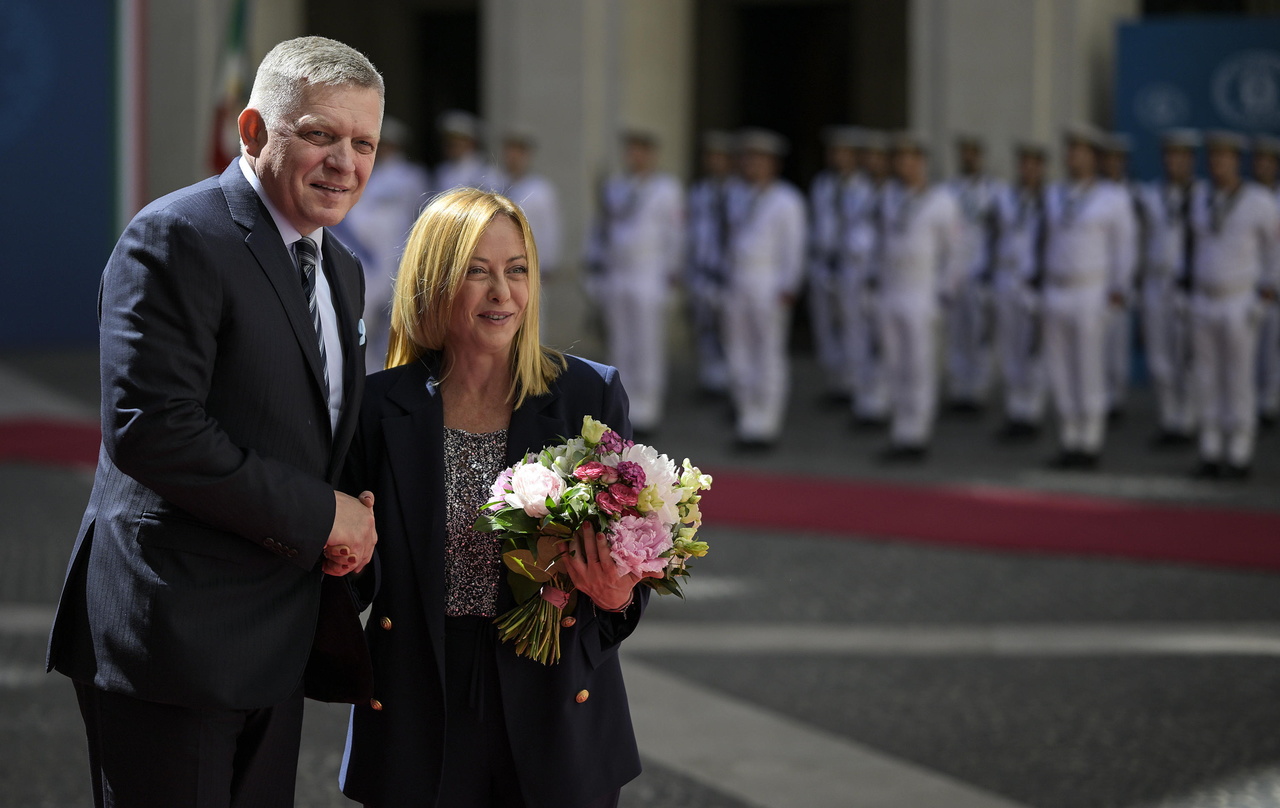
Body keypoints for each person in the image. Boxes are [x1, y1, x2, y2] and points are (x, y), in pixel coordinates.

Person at [45, 36, 382, 808]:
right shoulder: (177, 235)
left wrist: (352, 515)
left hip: (278, 642)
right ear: (253, 131)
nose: (345, 163)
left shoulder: (341, 268)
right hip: (175, 643)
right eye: (320, 134)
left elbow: (312, 426)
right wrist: (318, 513)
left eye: (363, 143)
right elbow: (154, 428)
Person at [338, 188, 649, 807]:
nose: (502, 292)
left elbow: (629, 558)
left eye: (517, 270)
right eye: (477, 272)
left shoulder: (587, 394)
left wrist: (617, 594)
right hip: (419, 702)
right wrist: (338, 554)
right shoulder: (376, 407)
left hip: (555, 703)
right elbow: (353, 578)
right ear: (434, 282)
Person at [1041, 123, 1137, 469]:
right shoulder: (1054, 194)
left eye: (1080, 151)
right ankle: (1069, 436)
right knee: (1060, 369)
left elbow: (1124, 248)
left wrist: (1118, 290)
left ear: (1094, 157)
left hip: (1090, 289)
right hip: (1057, 288)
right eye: (1070, 150)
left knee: (1087, 368)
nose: (1073, 157)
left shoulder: (1112, 197)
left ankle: (1090, 439)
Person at [1187, 130, 1280, 479]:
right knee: (1206, 377)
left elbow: (1275, 251)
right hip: (1205, 297)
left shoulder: (1258, 200)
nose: (1218, 164)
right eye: (1213, 157)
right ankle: (1210, 448)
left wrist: (1266, 294)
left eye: (1225, 158)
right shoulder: (1200, 196)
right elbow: (1192, 245)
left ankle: (1240, 450)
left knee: (1238, 377)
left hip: (1239, 298)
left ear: (1237, 162)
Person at [585, 128, 684, 435]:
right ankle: (621, 405)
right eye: (630, 150)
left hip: (648, 272)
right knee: (620, 343)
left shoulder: (666, 188)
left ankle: (647, 407)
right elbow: (601, 229)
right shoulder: (615, 186)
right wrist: (595, 269)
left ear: (652, 154)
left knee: (646, 343)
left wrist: (672, 274)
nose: (635, 156)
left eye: (641, 150)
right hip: (618, 273)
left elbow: (676, 234)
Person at [873, 131, 964, 461]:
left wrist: (945, 293)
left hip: (921, 290)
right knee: (895, 363)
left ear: (922, 163)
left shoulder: (942, 201)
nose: (904, 165)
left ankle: (918, 433)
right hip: (892, 289)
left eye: (911, 158)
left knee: (919, 365)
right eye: (899, 158)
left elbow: (955, 253)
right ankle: (900, 428)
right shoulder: (888, 196)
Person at [721, 128, 808, 449]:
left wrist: (789, 284)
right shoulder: (736, 194)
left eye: (760, 159)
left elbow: (794, 245)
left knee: (767, 353)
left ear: (774, 163)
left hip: (768, 281)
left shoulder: (786, 199)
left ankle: (766, 422)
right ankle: (747, 416)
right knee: (738, 351)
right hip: (738, 279)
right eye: (748, 158)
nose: (752, 165)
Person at [332, 115, 431, 366]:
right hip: (369, 256)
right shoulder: (369, 174)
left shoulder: (411, 176)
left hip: (401, 254)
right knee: (366, 319)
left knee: (396, 320)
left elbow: (420, 215)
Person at [1139, 129, 1205, 447]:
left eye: (1181, 156)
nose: (1174, 162)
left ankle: (1188, 419)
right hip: (1157, 281)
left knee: (1187, 357)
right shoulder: (1152, 194)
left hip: (1188, 284)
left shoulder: (1203, 195)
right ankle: (1168, 418)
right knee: (1159, 357)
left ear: (1190, 160)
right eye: (1170, 155)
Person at [993, 141, 1051, 440]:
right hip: (1007, 277)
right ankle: (1015, 408)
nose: (1028, 169)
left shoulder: (1050, 201)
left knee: (1033, 349)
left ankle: (1032, 410)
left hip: (1033, 281)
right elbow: (994, 235)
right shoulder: (1005, 197)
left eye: (1034, 164)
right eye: (1024, 163)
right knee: (1010, 347)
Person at [944, 134, 1005, 412]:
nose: (968, 158)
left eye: (973, 153)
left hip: (982, 270)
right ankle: (959, 387)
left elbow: (1001, 232)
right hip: (955, 271)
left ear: (981, 157)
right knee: (957, 332)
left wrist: (994, 267)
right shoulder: (949, 190)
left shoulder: (995, 191)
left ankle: (979, 388)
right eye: (964, 153)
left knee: (980, 333)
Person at [808, 126, 864, 401]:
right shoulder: (822, 184)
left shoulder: (864, 186)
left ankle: (854, 381)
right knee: (825, 325)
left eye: (843, 151)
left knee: (852, 324)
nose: (837, 157)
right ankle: (835, 381)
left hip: (851, 263)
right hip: (824, 261)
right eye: (833, 152)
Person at [844, 130, 894, 427]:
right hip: (855, 272)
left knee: (881, 340)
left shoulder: (894, 193)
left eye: (877, 157)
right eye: (867, 156)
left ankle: (881, 400)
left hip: (882, 274)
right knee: (858, 336)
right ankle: (863, 397)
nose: (871, 162)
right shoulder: (856, 189)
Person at [685, 129, 739, 397]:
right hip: (702, 268)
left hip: (727, 273)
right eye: (711, 157)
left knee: (730, 330)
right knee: (705, 327)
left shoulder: (738, 192)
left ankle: (732, 381)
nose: (715, 162)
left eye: (720, 157)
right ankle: (711, 379)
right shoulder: (700, 191)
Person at [1099, 132, 1144, 421]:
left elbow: (1140, 240)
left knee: (1118, 343)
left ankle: (1116, 397)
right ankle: (1100, 396)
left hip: (1123, 278)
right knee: (1098, 345)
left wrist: (1130, 281)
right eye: (1108, 158)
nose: (1113, 164)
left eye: (1118, 159)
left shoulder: (1135, 195)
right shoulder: (1095, 193)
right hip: (1096, 277)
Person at [501, 127, 562, 280]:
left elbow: (550, 229)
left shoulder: (541, 189)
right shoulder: (497, 185)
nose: (513, 157)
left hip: (530, 266)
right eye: (510, 151)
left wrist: (547, 263)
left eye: (519, 152)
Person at [1252, 133, 1280, 426]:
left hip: (1278, 284)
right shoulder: (1246, 197)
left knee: (1273, 347)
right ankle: (1254, 401)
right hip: (1251, 284)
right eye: (1260, 161)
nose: (1264, 166)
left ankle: (1269, 401)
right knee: (1253, 348)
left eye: (1269, 162)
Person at [434, 109, 502, 194]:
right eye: (450, 141)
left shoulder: (486, 171)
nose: (453, 145)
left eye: (459, 141)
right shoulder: (442, 171)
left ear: (471, 142)